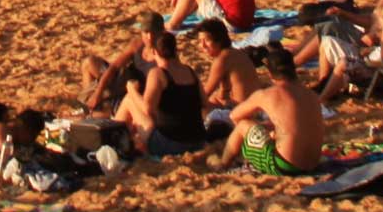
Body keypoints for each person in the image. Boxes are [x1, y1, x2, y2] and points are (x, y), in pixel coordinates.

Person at [214, 47, 325, 175]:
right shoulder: (311, 94)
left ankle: (223, 165)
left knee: (243, 125)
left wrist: (260, 129)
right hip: (312, 163)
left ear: (270, 74)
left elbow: (235, 116)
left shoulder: (266, 95)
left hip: (285, 165)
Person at [113, 29, 207, 157]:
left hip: (170, 145)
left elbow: (147, 109)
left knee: (130, 99)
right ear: (175, 50)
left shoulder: (158, 73)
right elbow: (204, 102)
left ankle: (110, 139)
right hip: (198, 141)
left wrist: (132, 90)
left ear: (154, 52)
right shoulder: (190, 71)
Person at [81, 12, 165, 114]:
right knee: (89, 63)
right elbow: (115, 66)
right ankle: (90, 106)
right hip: (125, 83)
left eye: (153, 33)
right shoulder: (137, 45)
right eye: (146, 32)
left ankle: (96, 111)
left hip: (137, 95)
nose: (150, 37)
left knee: (101, 112)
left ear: (161, 32)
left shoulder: (163, 54)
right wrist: (98, 92)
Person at [193, 20, 262, 109]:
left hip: (241, 109)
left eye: (207, 40)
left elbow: (206, 93)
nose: (202, 45)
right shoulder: (237, 53)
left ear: (219, 40)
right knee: (214, 98)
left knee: (201, 107)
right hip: (255, 104)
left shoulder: (222, 59)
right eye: (200, 41)